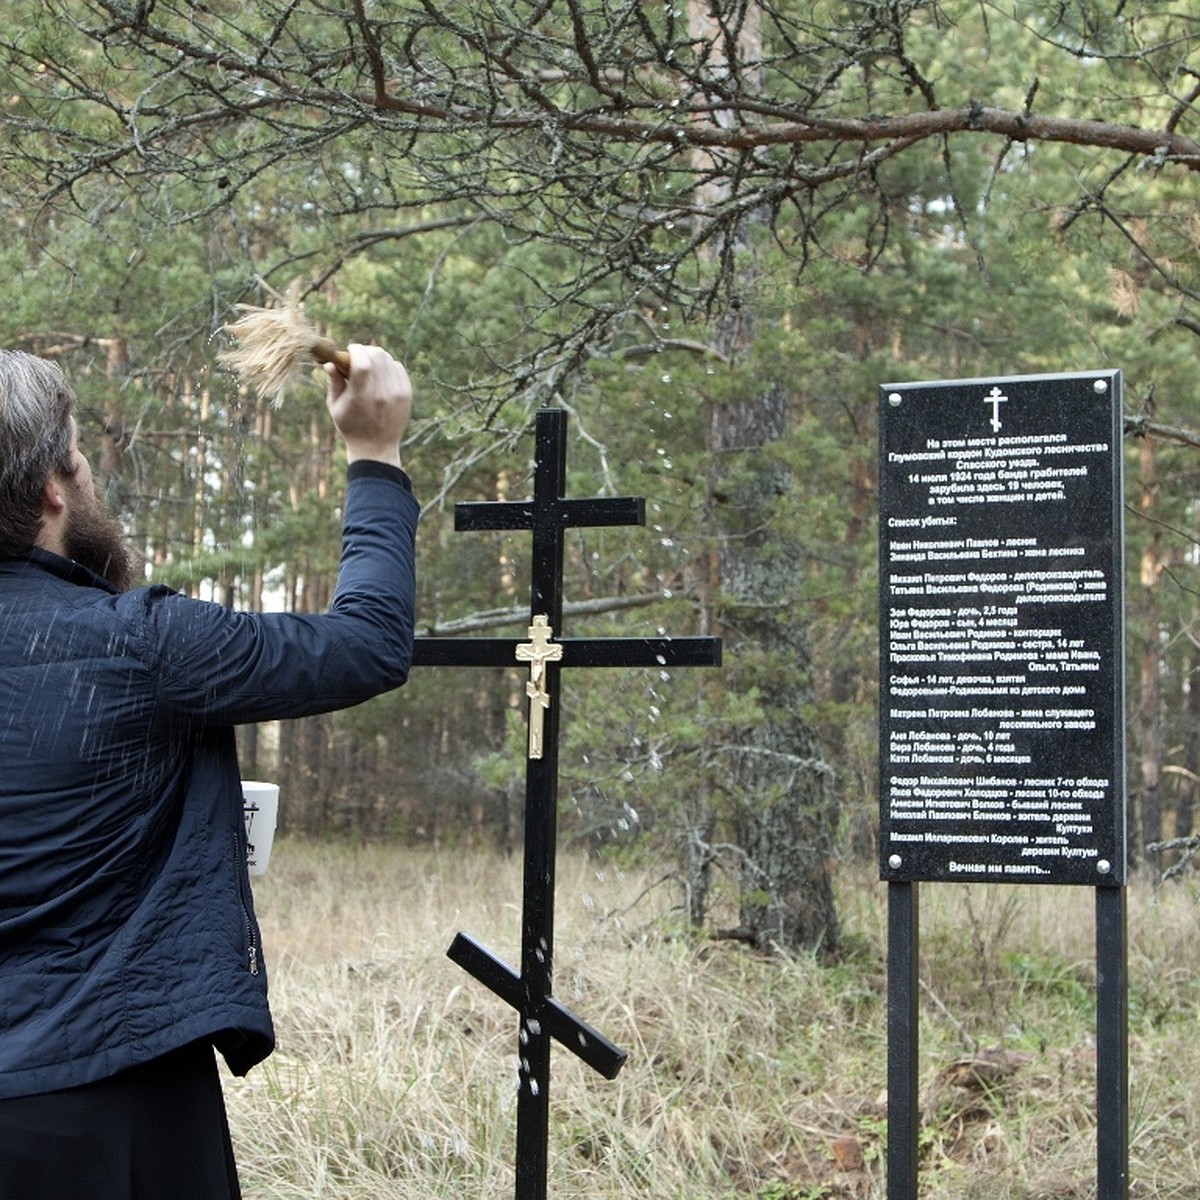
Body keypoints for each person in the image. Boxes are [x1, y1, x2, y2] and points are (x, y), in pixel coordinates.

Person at [0, 343, 419, 1198]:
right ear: (51, 487)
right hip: (117, 1104)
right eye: (78, 460)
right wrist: (374, 457)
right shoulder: (143, 642)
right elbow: (366, 643)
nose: (86, 477)